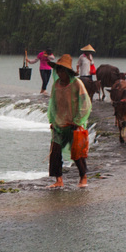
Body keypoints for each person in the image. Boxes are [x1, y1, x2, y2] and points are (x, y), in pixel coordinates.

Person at [46, 53, 92, 188]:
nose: (59, 73)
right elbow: (52, 105)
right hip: (59, 124)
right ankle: (58, 180)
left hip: (73, 124)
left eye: (62, 70)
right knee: (55, 152)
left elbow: (85, 105)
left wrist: (78, 121)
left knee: (77, 153)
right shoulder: (56, 85)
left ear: (67, 71)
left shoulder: (77, 84)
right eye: (58, 70)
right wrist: (53, 120)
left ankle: (83, 177)